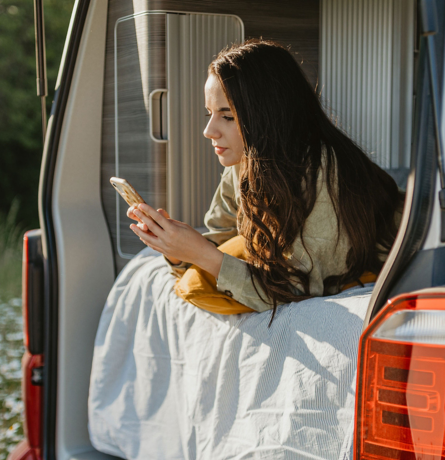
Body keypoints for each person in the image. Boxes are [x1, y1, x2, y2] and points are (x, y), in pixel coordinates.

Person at [127, 40, 402, 312]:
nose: (208, 131)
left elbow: (302, 291)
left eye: (228, 116)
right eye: (210, 113)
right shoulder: (244, 160)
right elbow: (221, 238)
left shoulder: (322, 171)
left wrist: (202, 254)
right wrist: (174, 251)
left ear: (269, 113)